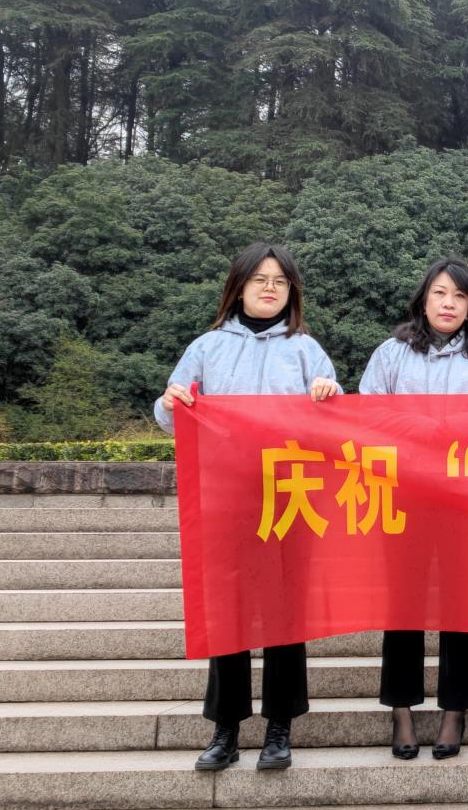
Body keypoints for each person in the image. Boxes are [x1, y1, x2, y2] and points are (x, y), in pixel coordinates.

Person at [154, 242, 341, 773]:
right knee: (227, 615)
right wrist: (168, 403)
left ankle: (280, 727)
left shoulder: (306, 351)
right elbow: (171, 414)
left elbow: (335, 424)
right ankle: (226, 729)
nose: (269, 288)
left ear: (292, 292)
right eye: (260, 279)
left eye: (280, 281)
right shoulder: (207, 348)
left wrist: (330, 393)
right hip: (226, 501)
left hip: (290, 500)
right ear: (238, 287)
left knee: (284, 617)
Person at [358, 258, 468, 761]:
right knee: (403, 602)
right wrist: (422, 428)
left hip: (466, 499)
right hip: (403, 495)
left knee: (461, 602)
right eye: (440, 294)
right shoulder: (391, 354)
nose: (449, 303)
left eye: (459, 296)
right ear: (423, 300)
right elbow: (369, 413)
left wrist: (453, 428)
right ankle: (401, 709)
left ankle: (455, 708)